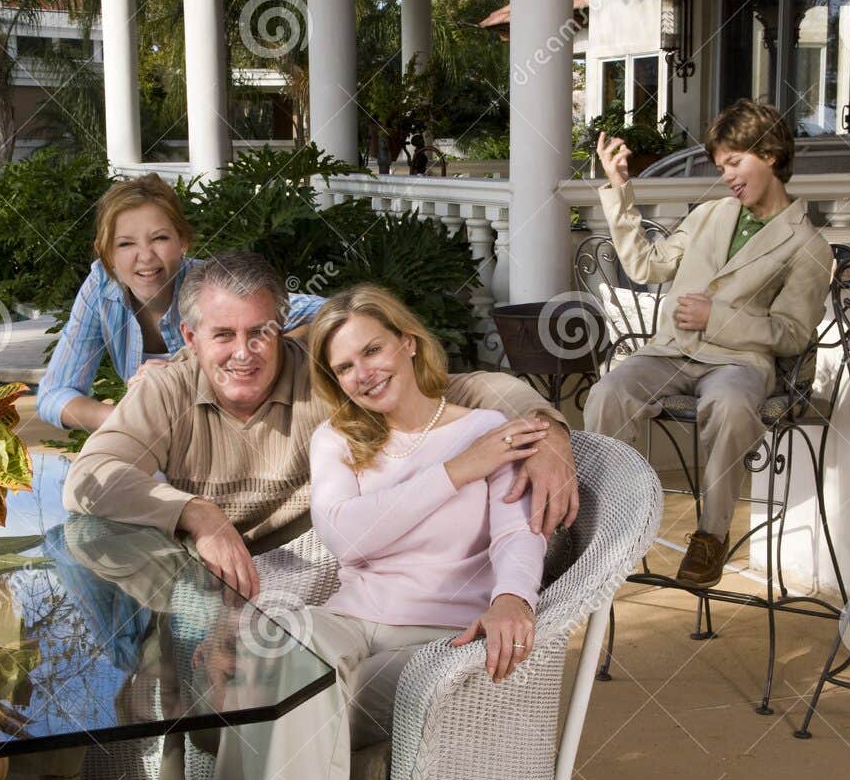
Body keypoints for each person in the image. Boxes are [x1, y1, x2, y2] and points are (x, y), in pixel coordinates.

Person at [194, 284, 547, 780]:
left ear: (408, 343)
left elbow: (519, 533)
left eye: (373, 351)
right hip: (347, 623)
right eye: (345, 367)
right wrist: (459, 470)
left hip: (430, 642)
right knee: (291, 643)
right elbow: (346, 538)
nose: (364, 373)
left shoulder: (487, 428)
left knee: (273, 687)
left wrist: (513, 598)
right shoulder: (338, 440)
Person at [62, 249, 578, 595]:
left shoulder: (326, 379)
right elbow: (90, 477)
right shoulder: (166, 389)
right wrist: (199, 514)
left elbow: (462, 388)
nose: (243, 354)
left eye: (259, 332)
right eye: (223, 336)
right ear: (190, 338)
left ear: (281, 326)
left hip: (311, 582)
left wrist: (546, 428)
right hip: (203, 583)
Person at [584, 99, 833, 589]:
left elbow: (791, 333)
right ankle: (602, 524)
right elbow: (647, 266)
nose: (729, 177)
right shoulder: (711, 214)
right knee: (609, 392)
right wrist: (620, 187)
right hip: (670, 352)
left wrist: (715, 317)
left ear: (771, 154)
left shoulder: (808, 246)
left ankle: (711, 535)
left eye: (736, 162)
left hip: (737, 363)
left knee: (731, 404)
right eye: (722, 167)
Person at [35, 173, 322, 432]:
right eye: (125, 243)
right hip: (155, 445)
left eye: (159, 238)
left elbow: (327, 312)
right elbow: (54, 394)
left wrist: (277, 348)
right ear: (107, 253)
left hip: (236, 436)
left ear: (182, 241)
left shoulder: (213, 286)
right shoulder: (101, 286)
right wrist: (127, 419)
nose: (145, 256)